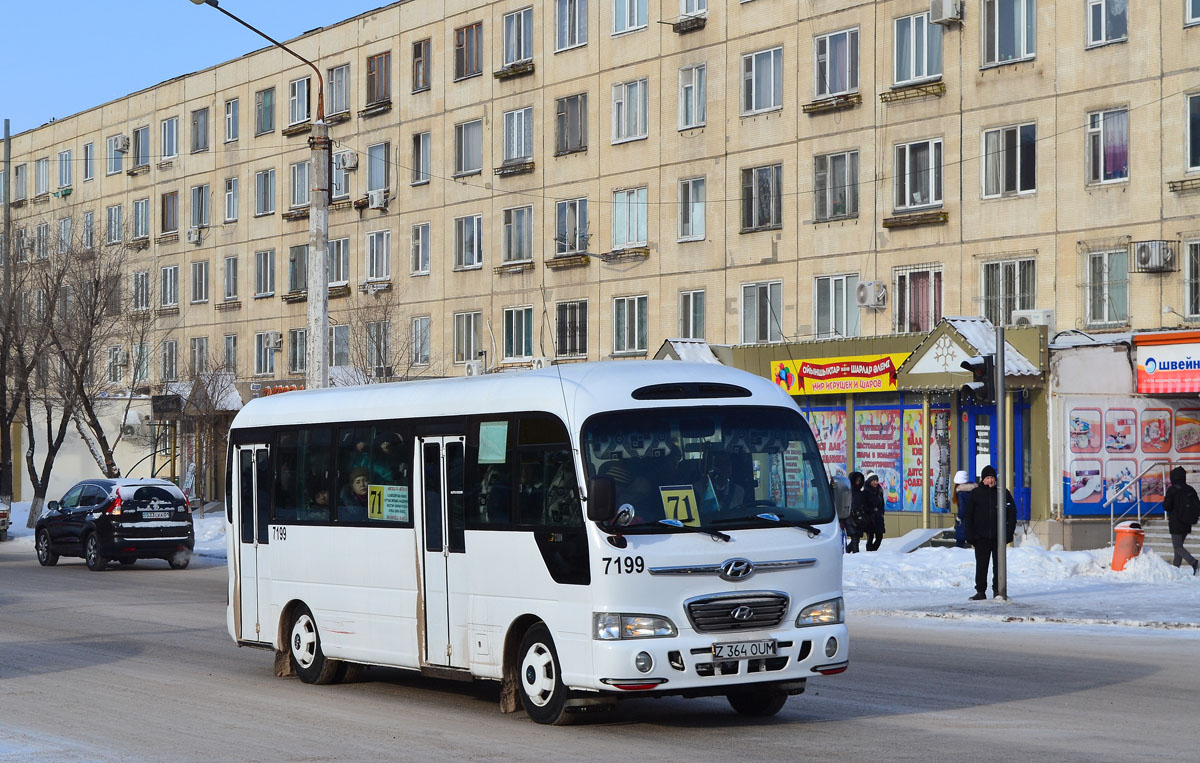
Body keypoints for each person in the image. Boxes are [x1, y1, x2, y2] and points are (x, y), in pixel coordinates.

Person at [964, 465, 1017, 600]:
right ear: (983, 480)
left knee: (998, 565)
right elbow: (968, 515)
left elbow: (1012, 513)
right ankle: (981, 591)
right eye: (987, 478)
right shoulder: (976, 494)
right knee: (982, 565)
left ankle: (998, 591)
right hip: (980, 537)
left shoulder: (1003, 493)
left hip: (998, 537)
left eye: (992, 477)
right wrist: (970, 535)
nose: (990, 481)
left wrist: (1009, 532)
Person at [1163, 466, 1200, 574]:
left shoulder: (1172, 490)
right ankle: (1175, 569)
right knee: (1178, 547)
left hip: (1176, 522)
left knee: (1177, 546)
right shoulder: (1190, 489)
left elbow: (1167, 507)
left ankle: (1194, 563)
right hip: (1187, 522)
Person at [863, 472, 886, 551]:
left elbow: (882, 503)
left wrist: (881, 512)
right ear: (869, 481)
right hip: (870, 517)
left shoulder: (879, 491)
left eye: (877, 480)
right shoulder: (865, 492)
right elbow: (864, 505)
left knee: (879, 537)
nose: (876, 482)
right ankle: (869, 552)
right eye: (874, 481)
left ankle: (873, 550)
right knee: (870, 537)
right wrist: (869, 512)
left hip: (878, 516)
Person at [845, 471, 866, 553]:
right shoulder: (848, 492)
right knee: (855, 538)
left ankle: (847, 551)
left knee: (856, 538)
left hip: (859, 517)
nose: (858, 482)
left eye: (860, 481)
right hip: (851, 517)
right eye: (856, 480)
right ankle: (855, 554)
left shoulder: (861, 493)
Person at [953, 470, 975, 549]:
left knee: (959, 544)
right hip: (974, 519)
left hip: (964, 521)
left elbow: (962, 508)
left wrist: (958, 518)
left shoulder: (961, 492)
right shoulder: (974, 489)